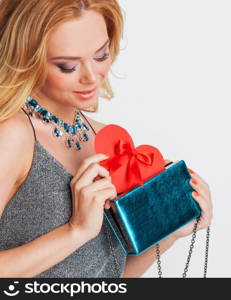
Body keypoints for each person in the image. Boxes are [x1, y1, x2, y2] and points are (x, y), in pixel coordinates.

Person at [0, 0, 213, 278]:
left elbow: (109, 275)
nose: (91, 77)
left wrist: (171, 230)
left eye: (100, 56)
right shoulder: (14, 135)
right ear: (27, 58)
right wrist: (75, 231)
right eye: (67, 66)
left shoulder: (105, 137)